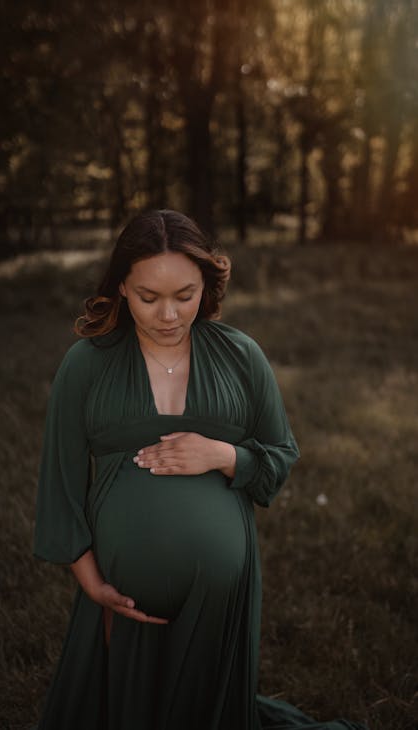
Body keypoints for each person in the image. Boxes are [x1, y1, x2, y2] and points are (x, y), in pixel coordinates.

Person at [33, 209, 367, 730]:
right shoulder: (87, 364)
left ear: (207, 284)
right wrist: (92, 583)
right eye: (149, 297)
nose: (168, 314)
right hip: (118, 592)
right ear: (121, 286)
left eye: (184, 295)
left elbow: (280, 454)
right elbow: (61, 482)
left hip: (221, 593)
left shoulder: (241, 356)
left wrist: (224, 456)